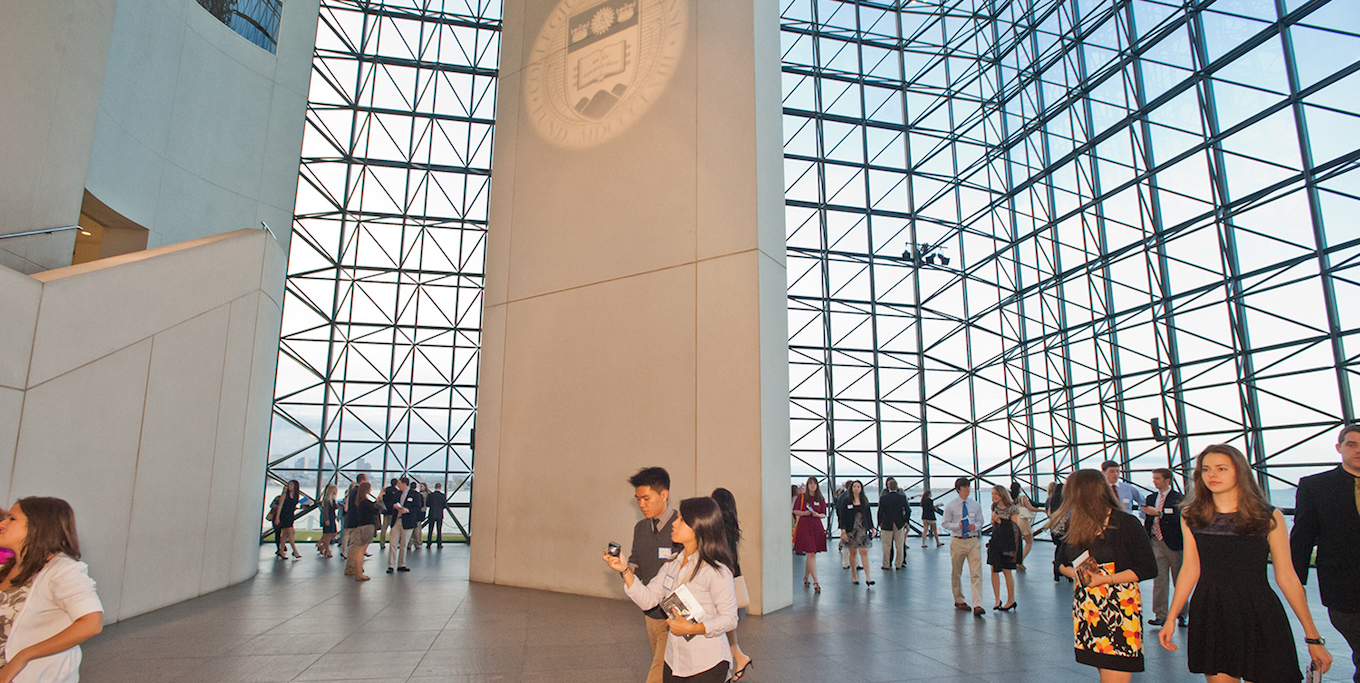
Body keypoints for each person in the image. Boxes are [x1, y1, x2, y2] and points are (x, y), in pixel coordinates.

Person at [1159, 444, 1332, 683]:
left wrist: (1313, 637)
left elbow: (1287, 577)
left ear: (1239, 472)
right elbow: (1190, 569)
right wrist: (1171, 617)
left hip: (1258, 610)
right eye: (1206, 469)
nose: (1212, 475)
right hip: (1212, 611)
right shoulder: (1192, 516)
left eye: (1221, 468)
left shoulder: (1268, 517)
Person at [604, 497, 738, 683]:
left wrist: (693, 628)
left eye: (682, 519)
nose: (674, 523)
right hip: (674, 660)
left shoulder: (716, 571)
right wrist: (625, 570)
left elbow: (730, 618)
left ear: (699, 526)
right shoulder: (673, 563)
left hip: (707, 663)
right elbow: (649, 599)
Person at [1051, 469, 1157, 681]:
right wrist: (1077, 573)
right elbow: (1060, 563)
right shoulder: (1076, 523)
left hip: (1119, 610)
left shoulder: (1126, 523)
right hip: (1088, 611)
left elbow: (1148, 568)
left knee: (1115, 672)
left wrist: (1106, 578)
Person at [0, 497, 103, 683]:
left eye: (12, 519)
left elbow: (91, 624)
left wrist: (23, 656)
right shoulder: (6, 569)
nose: (2, 524)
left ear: (37, 527)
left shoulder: (63, 571)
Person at [1292, 424, 1360, 683]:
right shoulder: (1316, 486)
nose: (1358, 451)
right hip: (1343, 590)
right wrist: (1295, 585)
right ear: (1339, 448)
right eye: (1351, 444)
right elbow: (1302, 539)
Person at [626, 467, 679, 683]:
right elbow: (635, 558)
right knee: (668, 668)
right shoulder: (640, 528)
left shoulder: (680, 528)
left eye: (646, 498)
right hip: (650, 612)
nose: (641, 504)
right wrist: (624, 568)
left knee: (657, 671)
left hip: (674, 616)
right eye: (638, 499)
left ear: (664, 494)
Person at [711, 488, 753, 682]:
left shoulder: (719, 528)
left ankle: (729, 666)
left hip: (721, 580)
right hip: (730, 576)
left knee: (722, 628)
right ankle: (738, 657)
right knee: (727, 627)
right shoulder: (732, 527)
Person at [1140, 468, 1184, 626]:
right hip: (1156, 541)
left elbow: (1180, 519)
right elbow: (1148, 520)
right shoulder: (1151, 498)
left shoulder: (1178, 498)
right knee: (1159, 579)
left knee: (1179, 579)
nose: (1154, 481)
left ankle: (1182, 613)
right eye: (1154, 478)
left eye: (1157, 478)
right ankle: (1160, 614)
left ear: (1168, 480)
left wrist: (1159, 514)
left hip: (1174, 543)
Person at [941, 477, 985, 615]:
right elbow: (945, 523)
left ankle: (978, 604)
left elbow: (980, 521)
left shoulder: (975, 505)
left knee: (976, 573)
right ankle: (959, 599)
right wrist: (957, 526)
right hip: (957, 540)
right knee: (956, 571)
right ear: (958, 489)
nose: (968, 489)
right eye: (965, 487)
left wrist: (975, 526)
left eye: (968, 486)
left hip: (972, 540)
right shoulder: (951, 505)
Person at [987, 485, 1020, 611]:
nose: (993, 496)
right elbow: (993, 523)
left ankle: (1010, 599)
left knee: (1007, 570)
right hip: (996, 540)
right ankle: (997, 598)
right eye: (992, 494)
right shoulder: (994, 507)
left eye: (996, 494)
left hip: (1007, 543)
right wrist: (994, 521)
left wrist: (1000, 521)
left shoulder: (1012, 509)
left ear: (1002, 495)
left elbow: (1014, 527)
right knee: (994, 569)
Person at [792, 477, 827, 592]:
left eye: (814, 483)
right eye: (810, 483)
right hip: (805, 525)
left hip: (816, 526)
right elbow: (795, 510)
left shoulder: (820, 498)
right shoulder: (801, 497)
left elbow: (824, 514)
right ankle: (816, 582)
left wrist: (817, 514)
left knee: (811, 553)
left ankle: (806, 577)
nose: (812, 486)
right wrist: (804, 513)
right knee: (810, 552)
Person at [837, 480, 874, 586]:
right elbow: (842, 517)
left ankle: (868, 577)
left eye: (858, 486)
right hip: (851, 530)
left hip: (862, 530)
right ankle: (854, 575)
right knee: (853, 553)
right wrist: (843, 531)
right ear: (851, 488)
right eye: (854, 486)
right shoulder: (846, 501)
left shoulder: (864, 501)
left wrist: (872, 528)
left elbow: (868, 515)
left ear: (861, 488)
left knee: (864, 551)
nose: (856, 488)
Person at [344, 480, 380, 581]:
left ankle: (356, 570)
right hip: (367, 526)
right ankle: (357, 571)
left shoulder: (358, 500)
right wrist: (378, 502)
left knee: (358, 549)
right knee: (360, 550)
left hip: (360, 525)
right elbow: (375, 510)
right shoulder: (365, 502)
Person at [386, 477, 418, 573]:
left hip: (407, 521)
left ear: (404, 484)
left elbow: (418, 507)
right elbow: (391, 503)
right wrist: (394, 506)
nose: (398, 485)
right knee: (393, 542)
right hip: (397, 520)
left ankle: (401, 564)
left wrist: (407, 510)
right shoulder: (397, 493)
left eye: (399, 483)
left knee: (404, 544)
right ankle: (391, 565)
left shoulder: (415, 494)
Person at [878, 477, 909, 571]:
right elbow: (908, 510)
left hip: (887, 524)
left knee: (886, 546)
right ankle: (899, 563)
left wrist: (880, 522)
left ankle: (886, 564)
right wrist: (905, 521)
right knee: (899, 545)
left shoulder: (883, 498)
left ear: (888, 487)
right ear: (897, 487)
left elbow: (880, 512)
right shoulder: (902, 497)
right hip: (899, 523)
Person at [1009, 481, 1040, 569]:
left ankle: (1017, 560)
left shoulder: (1010, 499)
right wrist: (1042, 510)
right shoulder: (1022, 498)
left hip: (1014, 520)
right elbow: (1031, 508)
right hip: (1023, 520)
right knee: (1029, 542)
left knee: (1018, 542)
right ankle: (1020, 561)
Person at [274, 480, 306, 560]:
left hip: (290, 515)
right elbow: (280, 506)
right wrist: (277, 517)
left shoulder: (296, 496)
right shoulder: (285, 495)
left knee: (285, 534)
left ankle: (281, 550)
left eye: (291, 485)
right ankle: (295, 551)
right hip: (284, 515)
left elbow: (292, 505)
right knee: (291, 532)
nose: (289, 486)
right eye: (289, 485)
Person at [1048, 480, 1067, 581]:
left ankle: (1056, 570)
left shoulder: (1051, 500)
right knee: (1065, 549)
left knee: (1058, 547)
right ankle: (1064, 570)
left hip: (1055, 528)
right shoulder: (1065, 501)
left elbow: (1049, 514)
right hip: (1064, 528)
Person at [316, 484, 339, 557]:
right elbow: (325, 511)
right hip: (329, 518)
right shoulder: (327, 500)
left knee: (330, 534)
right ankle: (326, 549)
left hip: (331, 518)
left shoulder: (331, 500)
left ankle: (323, 547)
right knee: (329, 534)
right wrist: (326, 519)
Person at [425, 482, 447, 548]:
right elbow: (445, 505)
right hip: (439, 514)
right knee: (439, 530)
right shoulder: (443, 496)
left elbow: (427, 504)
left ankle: (429, 543)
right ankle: (439, 543)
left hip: (431, 514)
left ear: (435, 487)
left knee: (430, 530)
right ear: (440, 488)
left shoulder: (430, 495)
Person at [379, 478, 399, 548]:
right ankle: (393, 543)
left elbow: (382, 498)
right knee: (393, 529)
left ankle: (382, 543)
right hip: (393, 512)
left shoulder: (386, 490)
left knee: (384, 528)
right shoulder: (397, 491)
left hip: (386, 511)